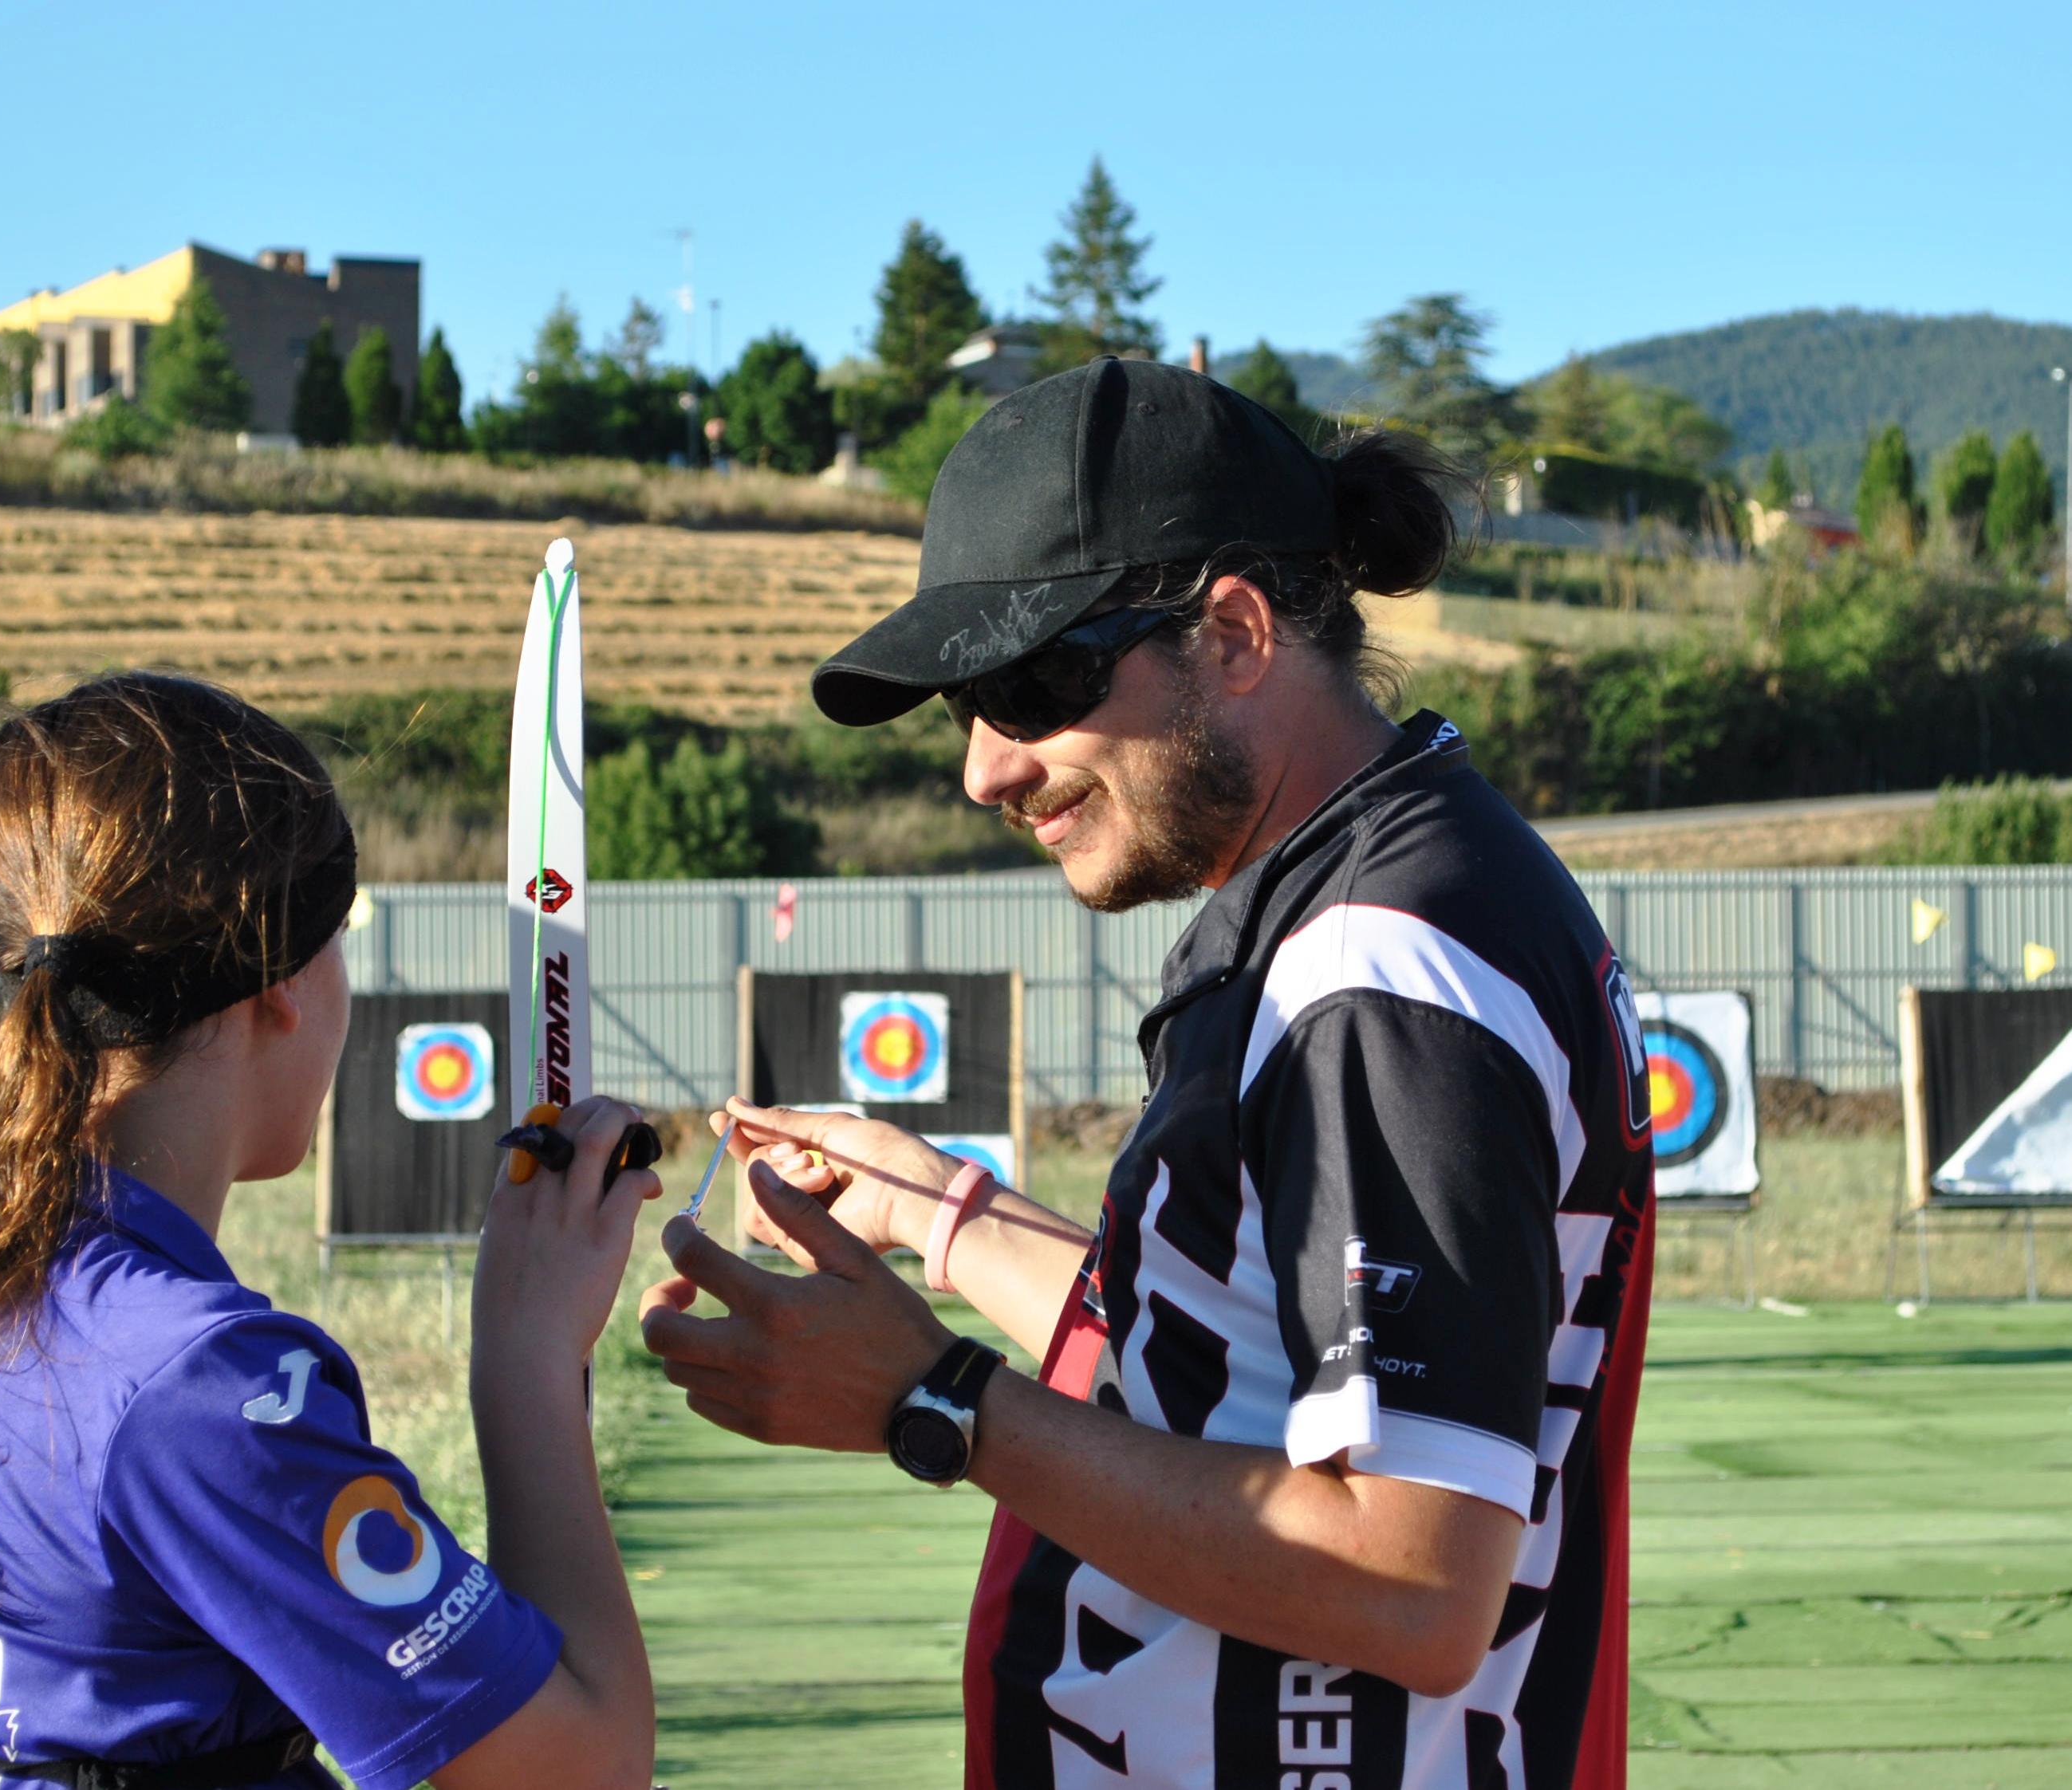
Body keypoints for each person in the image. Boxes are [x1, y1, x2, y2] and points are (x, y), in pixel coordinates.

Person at [640, 358, 1656, 1790]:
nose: (988, 767)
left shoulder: (1375, 971)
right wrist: (942, 1215)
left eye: (1033, 683)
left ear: (1235, 632)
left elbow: (1411, 1577)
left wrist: (931, 1401)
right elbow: (1236, 1368)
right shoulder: (1363, 886)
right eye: (962, 707)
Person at [0, 672, 660, 1790]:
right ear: (281, 982)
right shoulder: (199, 1391)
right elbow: (580, 1767)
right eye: (341, 932)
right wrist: (530, 1358)